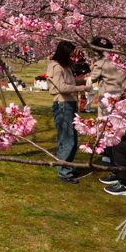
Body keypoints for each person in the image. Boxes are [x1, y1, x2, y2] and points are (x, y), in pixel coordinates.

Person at [47, 40, 83, 184]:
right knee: (67, 138)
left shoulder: (65, 65)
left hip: (69, 103)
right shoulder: (56, 67)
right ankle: (64, 172)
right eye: (72, 52)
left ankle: (67, 166)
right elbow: (62, 87)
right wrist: (82, 89)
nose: (75, 55)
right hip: (63, 104)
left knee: (71, 138)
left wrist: (83, 81)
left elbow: (70, 84)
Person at [86, 36, 126, 117]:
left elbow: (93, 78)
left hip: (107, 95)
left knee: (105, 121)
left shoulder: (101, 63)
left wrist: (92, 69)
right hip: (121, 93)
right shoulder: (119, 59)